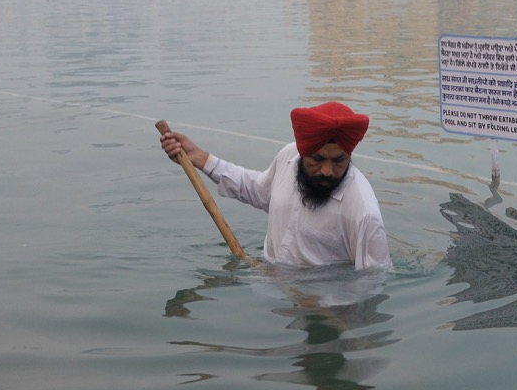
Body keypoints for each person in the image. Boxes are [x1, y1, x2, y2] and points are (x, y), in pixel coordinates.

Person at [160, 102, 391, 271]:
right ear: (302, 152)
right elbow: (257, 190)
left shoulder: (363, 211)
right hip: (267, 284)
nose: (327, 171)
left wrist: (325, 302)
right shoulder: (288, 156)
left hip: (318, 307)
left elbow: (374, 278)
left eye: (339, 160)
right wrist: (200, 158)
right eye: (318, 159)